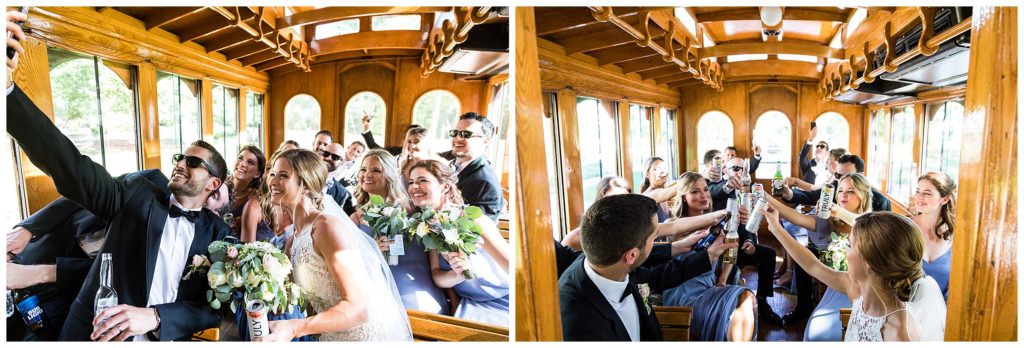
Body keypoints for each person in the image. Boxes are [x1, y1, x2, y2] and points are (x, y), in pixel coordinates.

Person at [9, 56, 231, 343]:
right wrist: (8, 92)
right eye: (180, 158)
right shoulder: (136, 194)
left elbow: (214, 309)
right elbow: (71, 167)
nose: (180, 164)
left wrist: (157, 317)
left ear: (213, 184)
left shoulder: (219, 237)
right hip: (94, 334)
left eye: (192, 162)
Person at [257, 149, 411, 341]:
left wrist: (295, 328)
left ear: (305, 184)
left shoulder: (326, 228)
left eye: (283, 176)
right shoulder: (292, 242)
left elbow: (359, 309)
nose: (272, 182)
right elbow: (303, 302)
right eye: (272, 174)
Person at [559, 194, 736, 341]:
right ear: (631, 256)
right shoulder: (582, 327)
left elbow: (657, 276)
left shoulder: (605, 264)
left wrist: (700, 252)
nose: (657, 241)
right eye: (654, 238)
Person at [762, 207, 946, 341]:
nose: (845, 252)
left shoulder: (900, 332)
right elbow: (812, 265)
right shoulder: (857, 291)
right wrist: (775, 227)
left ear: (870, 263)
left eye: (850, 246)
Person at [662, 172, 779, 339]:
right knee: (743, 300)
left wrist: (722, 280)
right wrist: (721, 220)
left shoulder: (717, 223)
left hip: (708, 286)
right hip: (682, 289)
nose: (703, 195)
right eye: (695, 191)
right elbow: (684, 237)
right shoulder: (672, 224)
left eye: (705, 190)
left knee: (747, 298)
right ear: (683, 196)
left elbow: (731, 250)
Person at [765, 173, 872, 339]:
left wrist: (839, 212)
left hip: (867, 291)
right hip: (836, 284)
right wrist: (768, 199)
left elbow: (862, 221)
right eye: (841, 190)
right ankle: (805, 307)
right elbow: (797, 218)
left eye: (851, 191)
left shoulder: (873, 224)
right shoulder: (830, 219)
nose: (843, 194)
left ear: (863, 196)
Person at [407, 159, 510, 327]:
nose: (414, 187)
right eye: (411, 182)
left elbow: (512, 267)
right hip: (473, 303)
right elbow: (437, 276)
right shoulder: (429, 226)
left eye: (422, 180)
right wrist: (457, 275)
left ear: (445, 187)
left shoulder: (474, 220)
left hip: (505, 297)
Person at [350, 149, 450, 315]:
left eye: (376, 170)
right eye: (363, 169)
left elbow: (437, 262)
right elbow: (350, 263)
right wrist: (371, 251)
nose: (367, 175)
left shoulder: (415, 209)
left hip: (416, 287)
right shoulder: (356, 218)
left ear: (390, 175)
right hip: (375, 288)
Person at [781, 154, 892, 212]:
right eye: (838, 176)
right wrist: (788, 193)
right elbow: (810, 196)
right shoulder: (833, 188)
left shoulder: (881, 202)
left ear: (861, 175)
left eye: (848, 176)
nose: (841, 180)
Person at [909, 172, 956, 301]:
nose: (919, 197)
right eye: (918, 191)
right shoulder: (904, 228)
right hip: (904, 314)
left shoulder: (956, 238)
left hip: (943, 316)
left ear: (945, 199)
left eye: (927, 193)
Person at [450, 112, 504, 221]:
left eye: (466, 134)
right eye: (455, 133)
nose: (457, 138)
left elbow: (474, 233)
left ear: (485, 141)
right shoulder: (451, 165)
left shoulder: (485, 183)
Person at [229, 145, 273, 242]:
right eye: (240, 158)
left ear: (257, 174)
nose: (242, 164)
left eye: (250, 162)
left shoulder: (253, 200)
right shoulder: (218, 186)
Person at [319, 143, 356, 216]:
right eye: (326, 154)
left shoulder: (342, 194)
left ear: (342, 161)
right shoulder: (303, 179)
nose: (328, 158)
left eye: (335, 157)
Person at [639, 157, 671, 222]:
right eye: (656, 169)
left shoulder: (663, 193)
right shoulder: (648, 195)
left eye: (664, 168)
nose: (662, 171)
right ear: (647, 174)